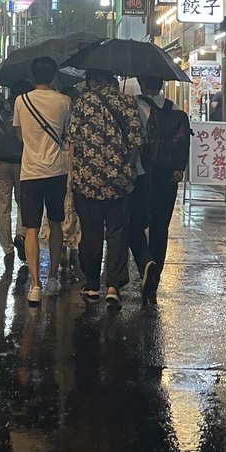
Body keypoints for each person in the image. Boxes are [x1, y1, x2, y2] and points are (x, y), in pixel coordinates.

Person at [69, 68, 144, 306]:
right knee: (117, 232)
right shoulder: (127, 102)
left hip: (87, 181)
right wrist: (126, 167)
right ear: (112, 79)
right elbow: (135, 143)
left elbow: (73, 141)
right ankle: (113, 285)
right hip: (119, 181)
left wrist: (73, 173)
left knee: (91, 233)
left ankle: (91, 284)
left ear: (92, 80)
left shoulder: (82, 103)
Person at [13, 56, 72, 306]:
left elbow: (19, 134)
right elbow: (66, 133)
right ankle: (52, 278)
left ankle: (35, 286)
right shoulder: (64, 101)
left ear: (33, 75)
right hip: (57, 170)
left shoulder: (21, 100)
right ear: (54, 75)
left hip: (30, 172)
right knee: (56, 223)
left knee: (31, 228)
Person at [133, 75, 191, 303]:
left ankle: (145, 261)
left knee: (135, 224)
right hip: (168, 177)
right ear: (162, 86)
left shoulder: (136, 106)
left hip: (141, 173)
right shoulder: (176, 110)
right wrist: (179, 169)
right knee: (160, 226)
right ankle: (154, 279)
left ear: (142, 83)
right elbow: (184, 142)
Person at [0, 79, 33, 270]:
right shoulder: (29, 108)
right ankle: (21, 234)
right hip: (24, 161)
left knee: (3, 206)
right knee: (24, 202)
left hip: (1, 161)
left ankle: (7, 249)